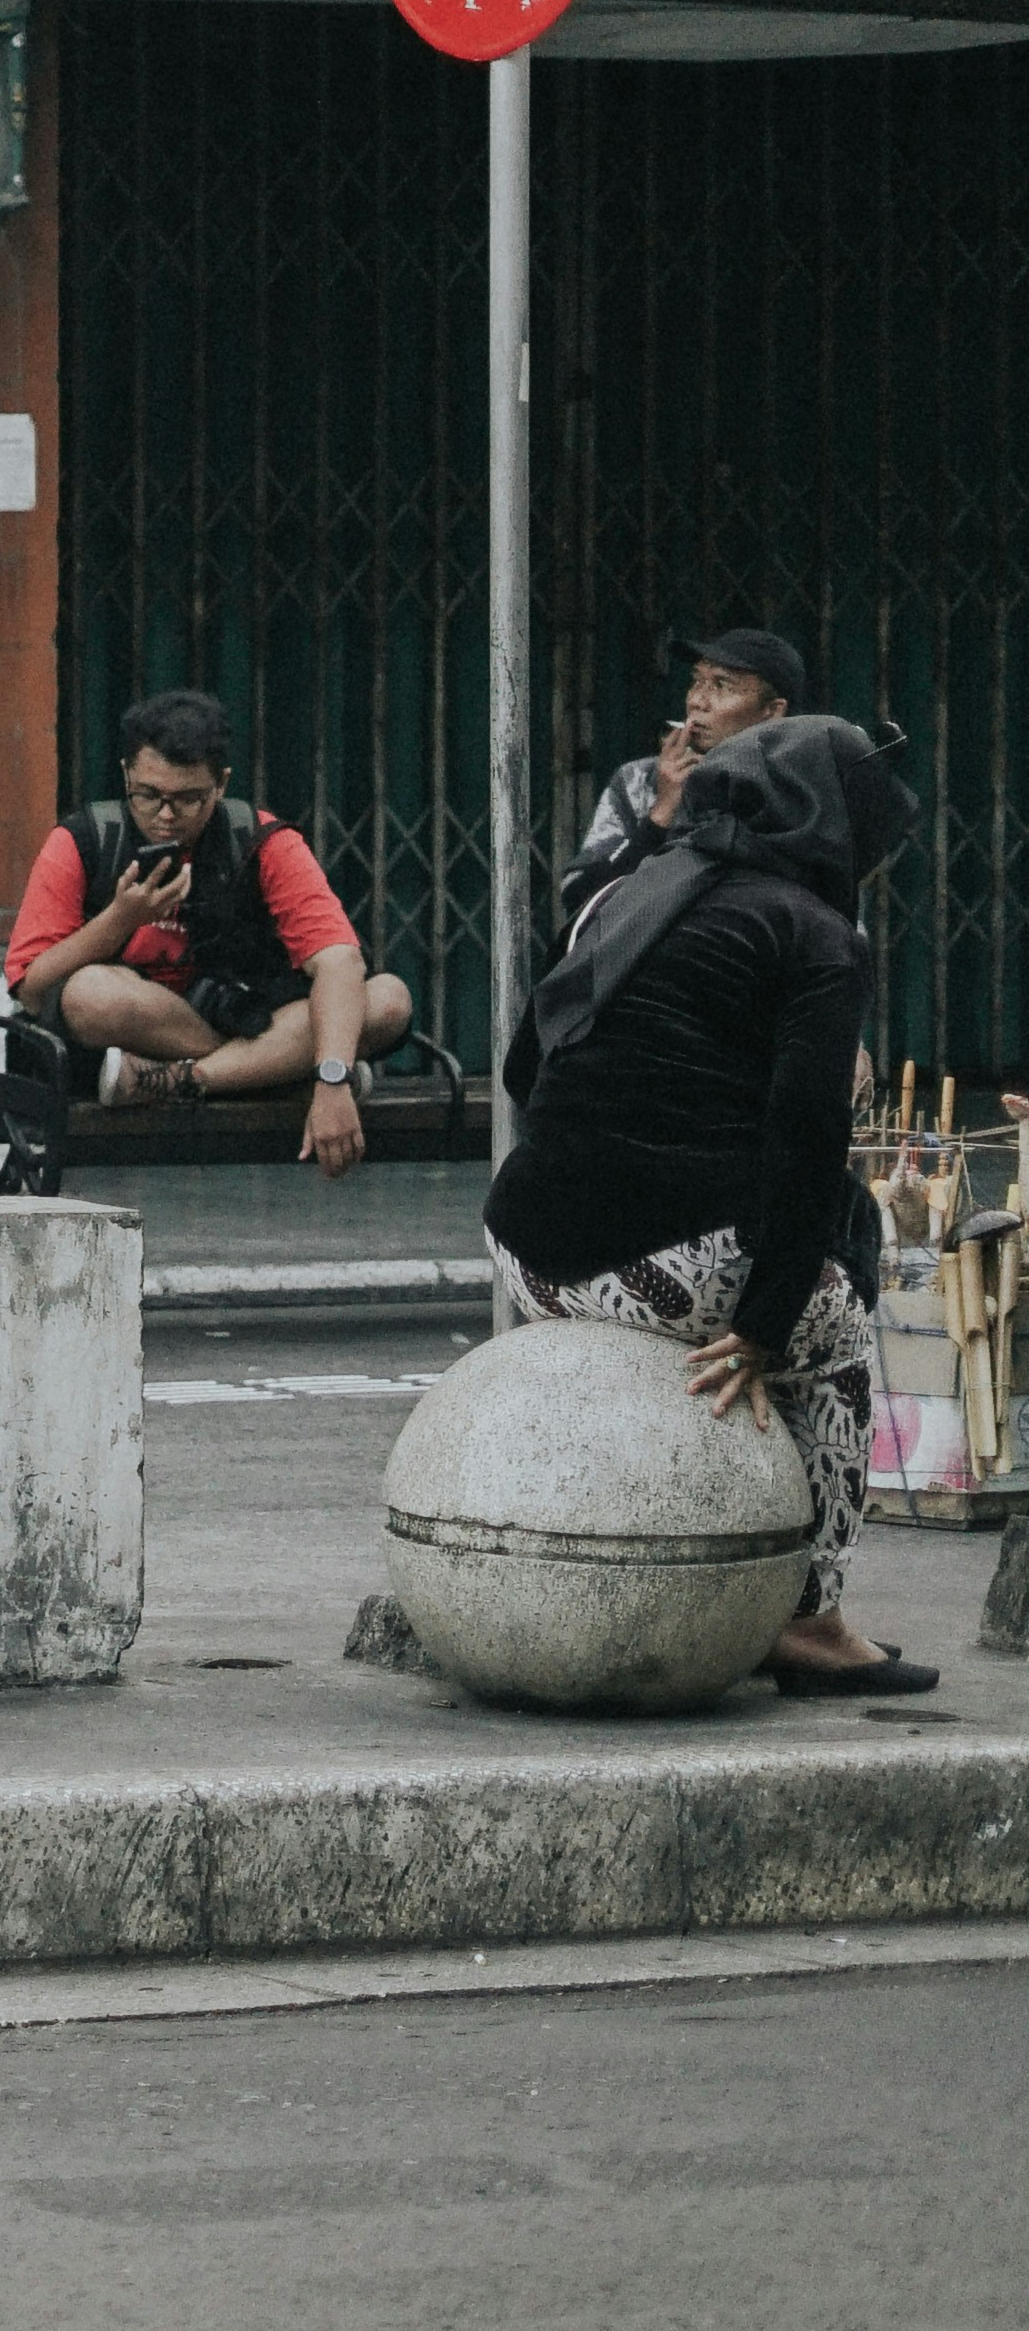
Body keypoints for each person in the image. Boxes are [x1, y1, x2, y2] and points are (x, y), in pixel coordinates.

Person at [488, 714, 931, 1696]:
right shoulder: (817, 934)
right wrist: (769, 1322)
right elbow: (808, 1139)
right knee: (840, 1326)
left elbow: (527, 1065)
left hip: (524, 1248)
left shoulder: (635, 887)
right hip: (652, 1273)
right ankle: (811, 1618)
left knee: (785, 1253)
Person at [5, 686, 412, 1170]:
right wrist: (119, 920)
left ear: (220, 784)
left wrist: (329, 1078)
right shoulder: (84, 840)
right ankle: (272, 1072)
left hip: (244, 1012)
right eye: (148, 795)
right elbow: (32, 989)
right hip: (130, 1037)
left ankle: (187, 1078)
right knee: (91, 992)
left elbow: (340, 958)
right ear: (125, 775)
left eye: (188, 799)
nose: (165, 815)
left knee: (387, 999)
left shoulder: (260, 840)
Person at [568, 628, 804, 922]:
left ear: (772, 711)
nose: (697, 701)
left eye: (720, 685)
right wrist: (660, 816)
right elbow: (580, 904)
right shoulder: (640, 780)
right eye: (696, 681)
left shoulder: (801, 792)